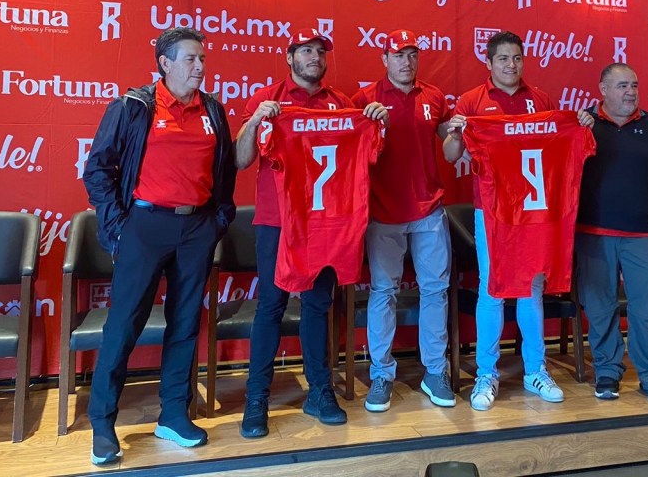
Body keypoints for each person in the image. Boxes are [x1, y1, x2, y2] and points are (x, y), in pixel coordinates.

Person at [83, 27, 236, 466]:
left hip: (197, 228)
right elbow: (98, 170)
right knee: (124, 325)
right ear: (165, 64)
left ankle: (173, 415)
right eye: (190, 59)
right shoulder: (134, 107)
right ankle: (102, 423)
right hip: (144, 227)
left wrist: (217, 221)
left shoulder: (213, 110)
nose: (200, 67)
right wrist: (118, 228)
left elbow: (225, 173)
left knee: (184, 324)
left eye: (202, 59)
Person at [235, 29, 387, 438]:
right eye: (306, 50)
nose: (315, 57)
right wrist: (255, 120)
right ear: (290, 57)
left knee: (318, 306)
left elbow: (369, 156)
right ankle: (256, 398)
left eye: (320, 51)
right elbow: (241, 159)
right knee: (271, 306)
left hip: (323, 222)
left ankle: (319, 391)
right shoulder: (267, 99)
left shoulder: (344, 104)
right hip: (277, 221)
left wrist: (376, 122)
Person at [443, 30, 578, 411]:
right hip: (493, 210)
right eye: (503, 58)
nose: (511, 65)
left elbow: (560, 144)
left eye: (517, 58)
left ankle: (535, 369)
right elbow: (451, 154)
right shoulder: (473, 100)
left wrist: (579, 122)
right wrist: (456, 132)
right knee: (493, 288)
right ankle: (487, 373)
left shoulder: (541, 100)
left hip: (534, 210)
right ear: (489, 63)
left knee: (532, 287)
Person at [351, 29, 455, 412]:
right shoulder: (365, 99)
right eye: (398, 55)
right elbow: (352, 154)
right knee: (383, 292)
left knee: (435, 291)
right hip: (384, 212)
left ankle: (435, 371)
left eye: (412, 54)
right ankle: (381, 374)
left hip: (429, 210)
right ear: (384, 59)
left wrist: (459, 133)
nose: (406, 62)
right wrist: (369, 125)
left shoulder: (435, 97)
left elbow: (450, 148)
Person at [575, 63, 648, 405]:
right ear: (603, 89)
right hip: (593, 234)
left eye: (634, 85)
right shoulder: (584, 125)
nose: (630, 92)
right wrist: (577, 131)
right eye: (622, 85)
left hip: (643, 235)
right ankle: (607, 372)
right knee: (600, 310)